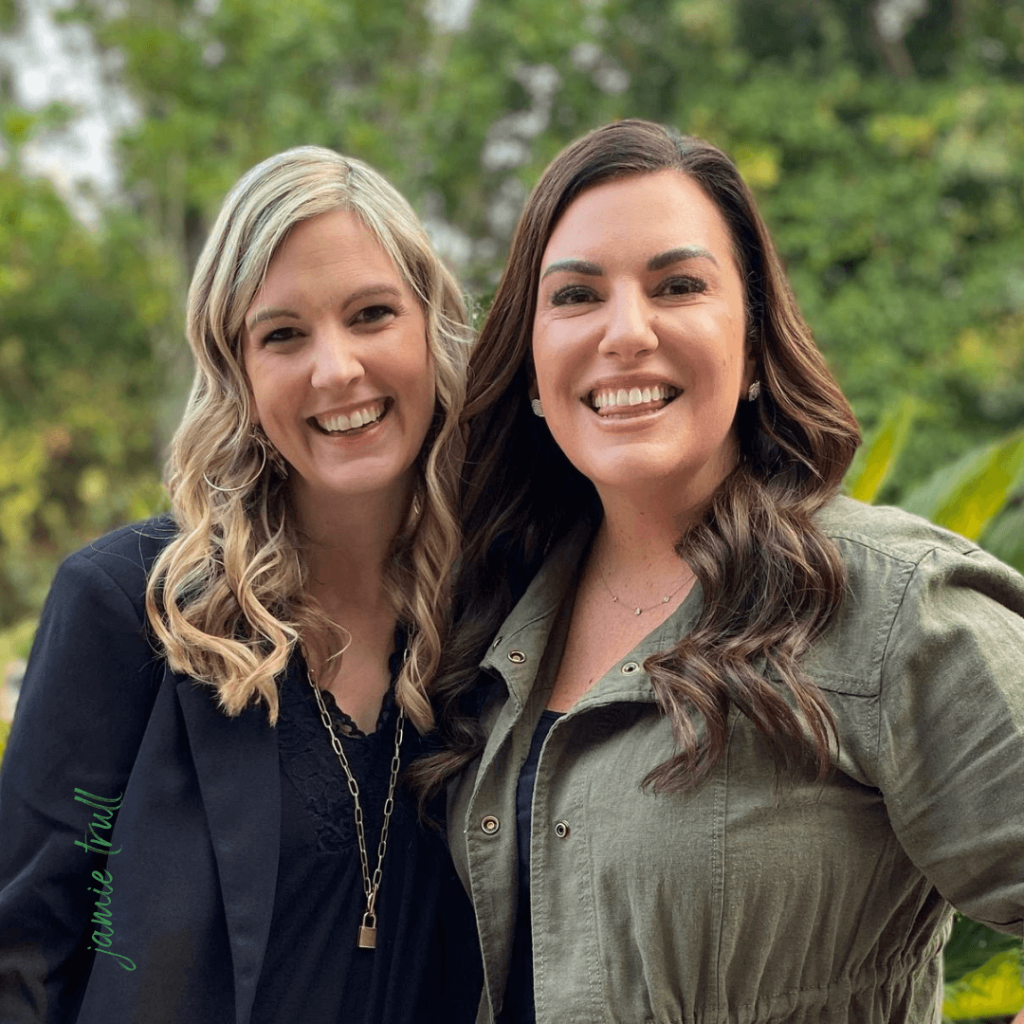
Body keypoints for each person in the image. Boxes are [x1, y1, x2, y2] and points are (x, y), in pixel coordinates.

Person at [413, 120, 1024, 1023]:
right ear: (534, 368)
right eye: (576, 295)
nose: (626, 332)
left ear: (754, 343)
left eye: (679, 286)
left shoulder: (891, 606)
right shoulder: (490, 613)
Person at [0, 146, 480, 1023]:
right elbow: (19, 959)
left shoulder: (491, 613)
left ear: (430, 326)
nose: (336, 369)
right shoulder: (129, 608)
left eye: (371, 314)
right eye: (282, 335)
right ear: (239, 372)